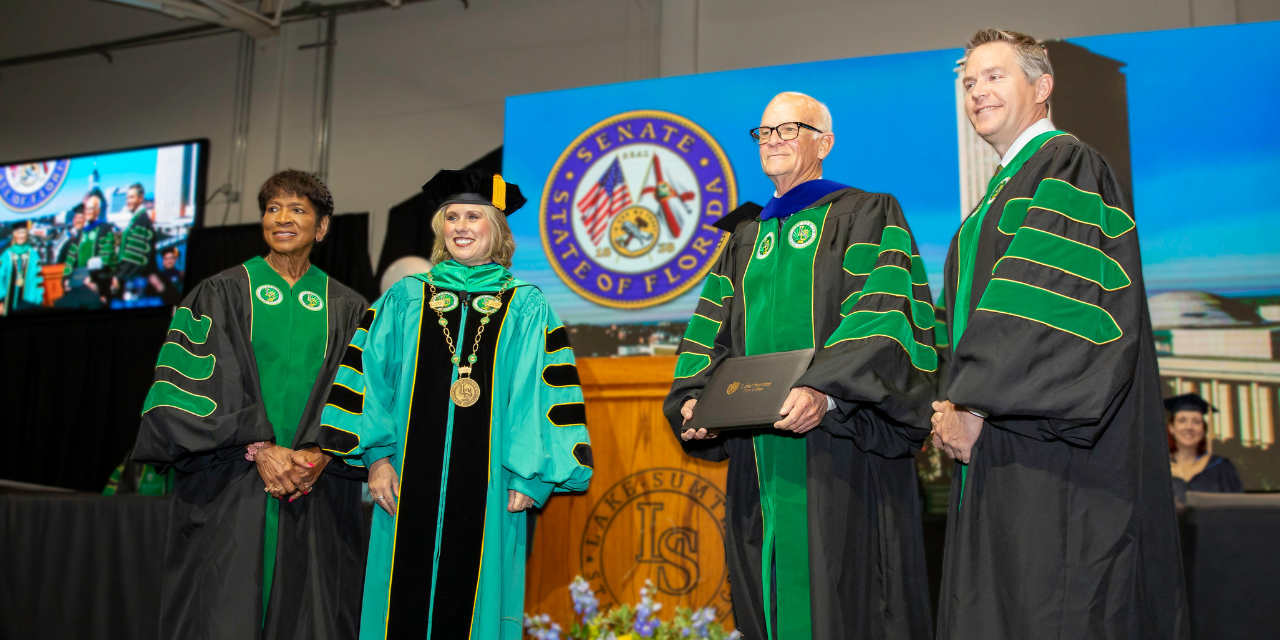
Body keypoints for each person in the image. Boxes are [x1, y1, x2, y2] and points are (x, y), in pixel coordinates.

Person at [930, 29, 1188, 639]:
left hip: (1056, 459)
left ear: (1042, 88)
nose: (977, 91)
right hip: (998, 449)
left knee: (1051, 608)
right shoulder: (987, 203)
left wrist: (970, 401)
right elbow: (961, 322)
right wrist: (943, 403)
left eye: (995, 76)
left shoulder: (1067, 165)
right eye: (969, 82)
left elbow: (1050, 308)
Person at [665, 92, 935, 640]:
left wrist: (825, 392)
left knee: (848, 599)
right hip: (759, 458)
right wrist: (696, 397)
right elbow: (708, 332)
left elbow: (882, 316)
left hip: (842, 450)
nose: (773, 142)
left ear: (824, 142)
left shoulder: (866, 213)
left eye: (788, 129)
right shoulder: (744, 239)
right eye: (763, 133)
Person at [315, 170, 593, 640]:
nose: (461, 226)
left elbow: (541, 394)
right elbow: (368, 380)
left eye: (474, 216)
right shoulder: (405, 298)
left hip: (491, 489)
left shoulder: (526, 306)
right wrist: (377, 459)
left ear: (497, 229)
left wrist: (530, 474)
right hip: (402, 484)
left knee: (477, 605)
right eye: (452, 217)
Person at [131, 170, 368, 639]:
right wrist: (259, 449)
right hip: (231, 485)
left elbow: (370, 397)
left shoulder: (350, 308)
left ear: (320, 228)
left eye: (298, 209)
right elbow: (183, 394)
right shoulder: (219, 292)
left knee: (313, 616)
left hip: (315, 488)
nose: (282, 218)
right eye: (273, 208)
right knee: (223, 612)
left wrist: (323, 452)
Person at [1166, 393, 1243, 506]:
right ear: (1171, 428)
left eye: (1196, 422)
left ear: (1203, 430)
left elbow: (1238, 510)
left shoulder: (1222, 468)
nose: (1189, 427)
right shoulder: (1156, 469)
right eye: (1182, 421)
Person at [117, 182, 164, 295]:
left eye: (132, 197)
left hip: (137, 282)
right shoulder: (136, 219)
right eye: (127, 197)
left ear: (140, 198)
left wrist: (119, 276)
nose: (128, 201)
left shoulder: (141, 220)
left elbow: (136, 257)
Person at [0, 222, 44, 315]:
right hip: (8, 302)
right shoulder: (6, 255)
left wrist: (38, 299)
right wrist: (0, 300)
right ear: (14, 235)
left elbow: (38, 279)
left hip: (29, 301)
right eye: (18, 233)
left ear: (27, 235)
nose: (21, 236)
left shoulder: (33, 255)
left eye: (23, 233)